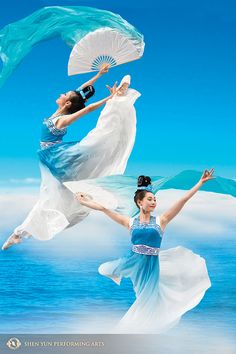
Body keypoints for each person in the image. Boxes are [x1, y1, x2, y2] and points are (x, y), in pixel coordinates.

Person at [2, 69, 141, 250]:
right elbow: (80, 91)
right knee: (51, 198)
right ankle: (21, 233)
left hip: (57, 159)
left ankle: (19, 234)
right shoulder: (60, 110)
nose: (61, 93)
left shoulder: (61, 120)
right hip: (53, 158)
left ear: (67, 102)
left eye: (64, 95)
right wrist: (99, 75)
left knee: (50, 196)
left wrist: (110, 98)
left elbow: (88, 108)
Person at [76, 169, 214, 333]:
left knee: (146, 301)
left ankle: (132, 333)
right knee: (104, 269)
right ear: (140, 203)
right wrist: (84, 201)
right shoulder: (130, 222)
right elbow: (104, 209)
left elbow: (182, 200)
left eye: (155, 199)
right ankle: (120, 278)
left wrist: (200, 183)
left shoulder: (161, 221)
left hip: (150, 267)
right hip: (132, 260)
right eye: (150, 199)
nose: (154, 202)